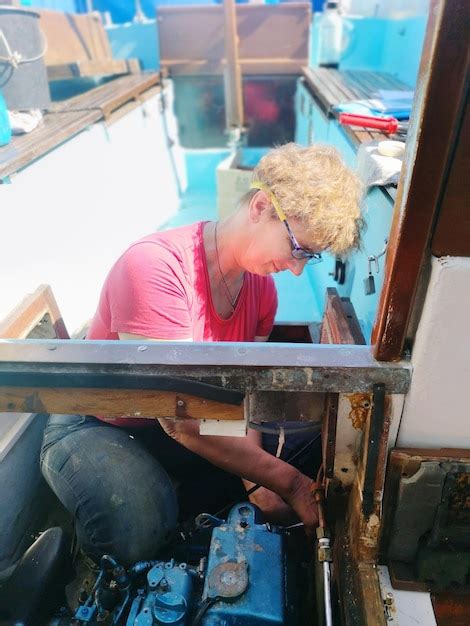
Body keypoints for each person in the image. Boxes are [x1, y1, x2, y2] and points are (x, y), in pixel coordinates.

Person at [40, 143, 364, 566]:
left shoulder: (260, 290)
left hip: (168, 425)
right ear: (262, 206)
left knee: (253, 484)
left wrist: (257, 484)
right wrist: (293, 486)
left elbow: (236, 399)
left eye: (310, 257)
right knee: (138, 526)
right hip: (94, 422)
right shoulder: (156, 268)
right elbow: (180, 422)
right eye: (297, 249)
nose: (298, 269)